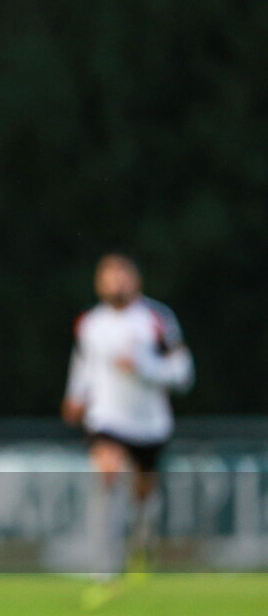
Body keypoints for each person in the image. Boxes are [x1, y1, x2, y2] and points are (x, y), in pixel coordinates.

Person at [61, 254, 193, 597]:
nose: (116, 282)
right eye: (108, 276)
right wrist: (75, 396)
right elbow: (84, 365)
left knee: (143, 496)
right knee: (106, 474)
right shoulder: (90, 323)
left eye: (122, 275)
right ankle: (103, 567)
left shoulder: (157, 319)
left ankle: (141, 545)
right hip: (106, 418)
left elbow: (183, 373)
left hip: (150, 423)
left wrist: (144, 367)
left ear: (136, 280)